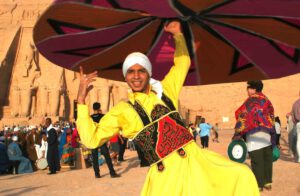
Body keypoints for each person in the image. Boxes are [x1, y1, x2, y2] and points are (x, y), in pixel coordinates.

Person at [76, 21, 259, 195]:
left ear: (149, 73)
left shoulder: (166, 92)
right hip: (167, 179)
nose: (136, 76)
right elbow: (91, 139)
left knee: (242, 176)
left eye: (141, 70)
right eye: (131, 71)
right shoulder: (124, 110)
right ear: (126, 77)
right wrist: (81, 100)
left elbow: (182, 64)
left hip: (197, 164)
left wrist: (178, 35)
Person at [233, 80, 276, 192]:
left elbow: (241, 113)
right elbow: (271, 114)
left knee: (256, 159)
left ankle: (259, 184)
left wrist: (238, 131)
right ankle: (267, 182)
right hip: (266, 134)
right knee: (267, 158)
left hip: (254, 134)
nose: (247, 91)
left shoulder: (251, 100)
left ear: (253, 89)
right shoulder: (266, 100)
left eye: (248, 88)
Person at [90, 102, 120, 178]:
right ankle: (112, 172)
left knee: (94, 157)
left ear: (93, 108)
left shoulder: (90, 118)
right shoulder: (103, 116)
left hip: (93, 138)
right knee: (107, 156)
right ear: (99, 108)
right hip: (101, 138)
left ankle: (97, 174)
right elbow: (107, 127)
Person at [291, 90, 300, 163]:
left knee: (298, 141)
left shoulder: (295, 103)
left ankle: (298, 157)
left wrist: (295, 123)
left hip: (298, 123)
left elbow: (293, 115)